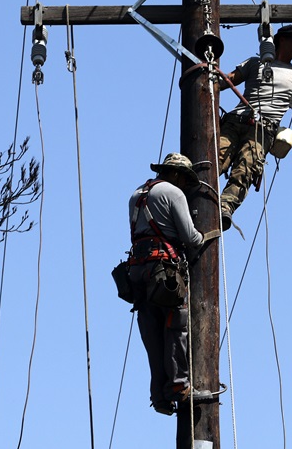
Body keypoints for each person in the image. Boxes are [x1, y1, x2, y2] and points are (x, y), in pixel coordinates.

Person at [126, 152, 219, 415]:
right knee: (175, 327)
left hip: (137, 273)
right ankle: (179, 386)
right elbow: (191, 237)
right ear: (176, 174)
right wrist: (204, 235)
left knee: (152, 336)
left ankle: (159, 396)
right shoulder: (172, 193)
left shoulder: (136, 194)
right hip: (164, 272)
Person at [217, 23, 292, 229]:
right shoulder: (255, 64)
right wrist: (207, 72)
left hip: (263, 130)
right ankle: (193, 196)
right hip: (236, 120)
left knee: (245, 169)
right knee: (215, 159)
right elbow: (225, 82)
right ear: (281, 39)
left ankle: (224, 207)